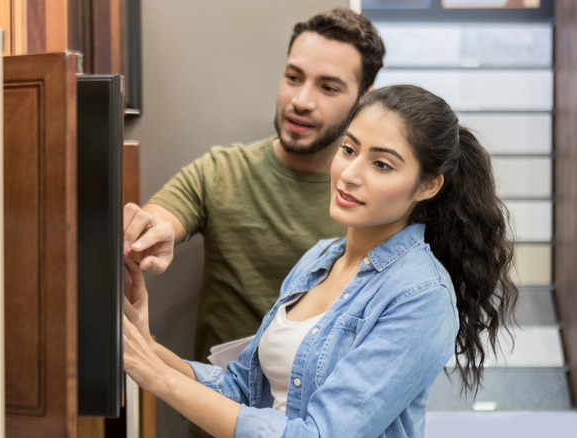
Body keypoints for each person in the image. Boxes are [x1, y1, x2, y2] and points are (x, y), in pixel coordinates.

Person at [121, 84, 519, 437]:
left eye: (381, 164)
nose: (348, 173)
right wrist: (148, 347)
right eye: (348, 149)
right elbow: (241, 390)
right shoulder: (319, 260)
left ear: (428, 185)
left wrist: (158, 379)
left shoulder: (421, 296)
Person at [123, 8, 387, 372]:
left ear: (363, 100)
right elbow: (162, 218)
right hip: (216, 409)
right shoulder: (222, 171)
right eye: (294, 77)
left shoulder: (379, 200)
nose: (301, 100)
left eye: (328, 87)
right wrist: (149, 233)